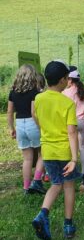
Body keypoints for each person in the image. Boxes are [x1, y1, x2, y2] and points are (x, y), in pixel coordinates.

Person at [32, 60, 81, 240]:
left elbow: (36, 117)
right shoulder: (67, 103)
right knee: (68, 186)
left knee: (55, 183)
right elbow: (71, 131)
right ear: (62, 80)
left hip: (48, 151)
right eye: (67, 78)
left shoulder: (38, 99)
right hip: (64, 152)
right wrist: (74, 159)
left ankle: (42, 214)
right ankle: (68, 225)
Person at [7, 64, 46, 195]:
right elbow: (34, 112)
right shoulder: (35, 91)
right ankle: (36, 181)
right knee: (43, 153)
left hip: (19, 124)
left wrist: (11, 128)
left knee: (27, 159)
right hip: (32, 123)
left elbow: (9, 112)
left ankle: (26, 188)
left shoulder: (13, 92)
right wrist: (41, 127)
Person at [62, 69, 84, 175]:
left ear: (71, 80)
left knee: (71, 146)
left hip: (72, 121)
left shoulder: (65, 92)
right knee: (82, 147)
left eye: (68, 79)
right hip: (83, 121)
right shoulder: (83, 90)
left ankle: (72, 168)